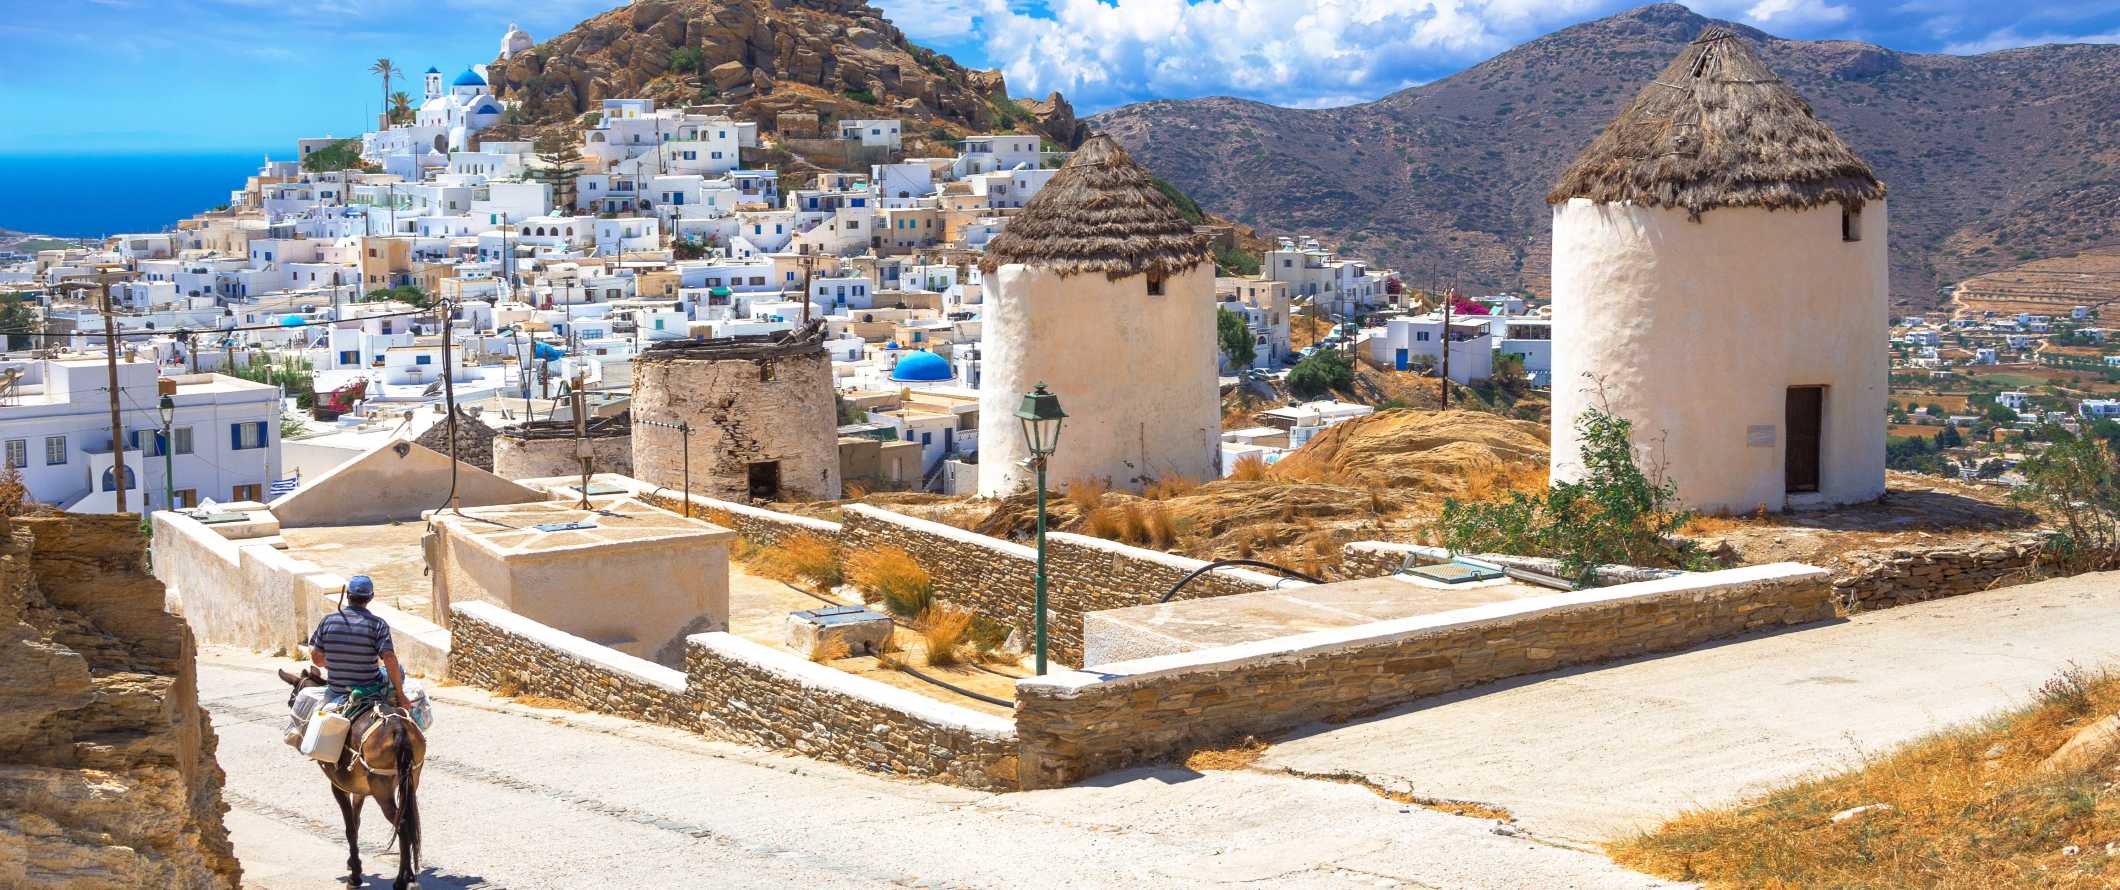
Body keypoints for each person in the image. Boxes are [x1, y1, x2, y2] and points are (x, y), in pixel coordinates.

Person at [307, 575, 411, 712]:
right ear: (371, 597)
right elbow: (389, 658)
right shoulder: (378, 624)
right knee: (399, 670)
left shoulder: (328, 621)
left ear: (348, 595)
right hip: (369, 688)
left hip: (336, 690)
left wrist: (339, 664)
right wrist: (401, 693)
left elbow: (317, 659)